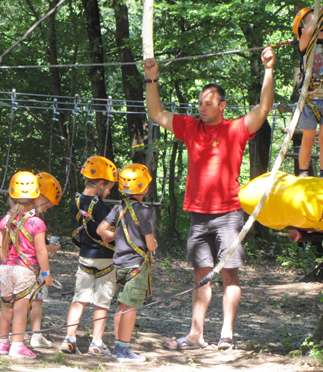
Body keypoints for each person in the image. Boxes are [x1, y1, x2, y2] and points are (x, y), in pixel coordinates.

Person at [143, 46, 276, 350]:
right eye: (200, 103)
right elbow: (156, 113)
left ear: (222, 106)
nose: (201, 108)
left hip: (229, 213)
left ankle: (226, 334)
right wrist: (152, 79)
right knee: (201, 278)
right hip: (198, 215)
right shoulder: (190, 127)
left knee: (230, 276)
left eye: (207, 103)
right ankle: (195, 334)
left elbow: (263, 109)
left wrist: (268, 70)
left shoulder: (236, 129)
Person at [97, 163, 157, 362]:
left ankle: (118, 346)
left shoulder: (118, 208)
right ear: (144, 187)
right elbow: (150, 244)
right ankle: (123, 350)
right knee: (130, 307)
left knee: (122, 306)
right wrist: (154, 243)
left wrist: (118, 237)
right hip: (137, 266)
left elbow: (101, 231)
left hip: (120, 265)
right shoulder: (144, 212)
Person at [60, 156, 118, 356]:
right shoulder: (100, 207)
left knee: (79, 299)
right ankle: (96, 343)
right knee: (102, 302)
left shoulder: (77, 201)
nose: (109, 191)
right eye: (109, 187)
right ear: (100, 183)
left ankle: (69, 338)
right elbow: (105, 232)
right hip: (105, 258)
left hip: (85, 257)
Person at [0, 171, 53, 359]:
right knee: (21, 310)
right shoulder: (36, 223)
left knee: (6, 308)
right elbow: (41, 251)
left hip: (5, 269)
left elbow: (0, 248)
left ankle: (3, 343)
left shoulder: (5, 221)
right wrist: (46, 274)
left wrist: (7, 263)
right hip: (24, 271)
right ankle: (18, 346)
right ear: (36, 197)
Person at [293, 4, 323, 180]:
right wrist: (322, 14)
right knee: (308, 139)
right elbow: (306, 33)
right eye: (315, 21)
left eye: (322, 22)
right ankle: (304, 174)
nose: (322, 24)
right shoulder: (305, 45)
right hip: (310, 102)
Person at [29, 172, 62, 348]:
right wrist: (52, 249)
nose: (48, 208)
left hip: (15, 265)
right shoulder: (35, 221)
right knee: (37, 301)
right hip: (33, 267)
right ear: (40, 196)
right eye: (48, 204)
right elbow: (38, 249)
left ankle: (12, 336)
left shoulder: (17, 215)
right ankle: (35, 335)